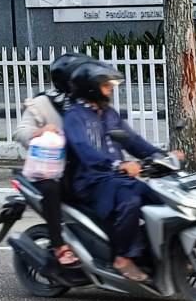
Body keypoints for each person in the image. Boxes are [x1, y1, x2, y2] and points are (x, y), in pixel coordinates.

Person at [63, 61, 166, 282]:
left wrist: (162, 156)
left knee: (158, 197)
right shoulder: (74, 117)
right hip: (90, 180)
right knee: (130, 201)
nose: (109, 89)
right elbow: (84, 150)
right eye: (105, 85)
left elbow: (132, 141)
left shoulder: (109, 114)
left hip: (115, 179)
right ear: (90, 88)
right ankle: (122, 257)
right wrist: (117, 165)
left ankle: (158, 254)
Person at [13, 53, 90, 266]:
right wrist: (40, 131)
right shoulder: (42, 103)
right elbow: (20, 132)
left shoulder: (86, 102)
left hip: (80, 168)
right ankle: (59, 246)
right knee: (51, 189)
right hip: (48, 171)